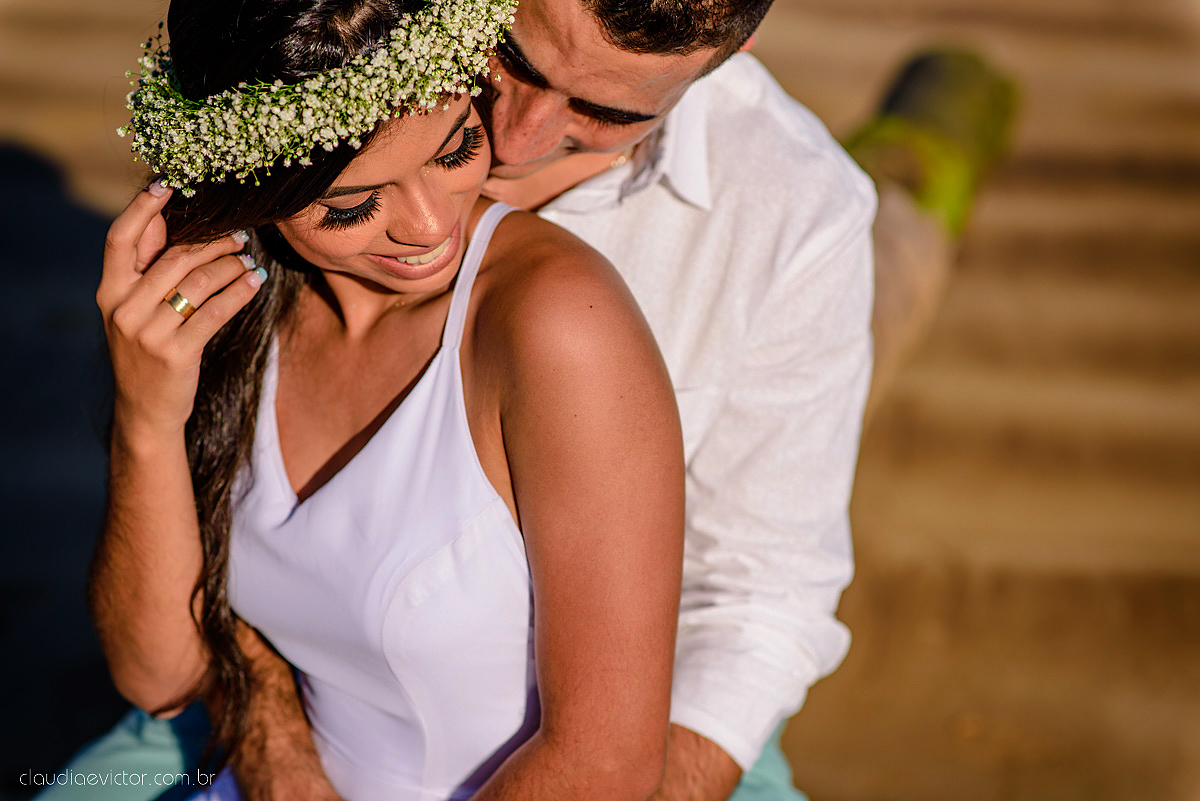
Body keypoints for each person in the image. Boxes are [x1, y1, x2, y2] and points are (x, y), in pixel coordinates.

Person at [44, 1, 1015, 800]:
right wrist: (268, 728)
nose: (515, 141)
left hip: (645, 715)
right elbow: (169, 654)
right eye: (511, 58)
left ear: (735, 51)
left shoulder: (792, 208)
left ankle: (939, 128)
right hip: (281, 671)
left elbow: (761, 604)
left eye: (603, 112)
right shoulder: (349, 76)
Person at [75, 0, 687, 799]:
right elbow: (158, 672)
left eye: (458, 147)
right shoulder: (233, 302)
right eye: (353, 205)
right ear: (250, 190)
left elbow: (604, 764)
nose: (432, 224)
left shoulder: (557, 325)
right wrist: (147, 422)